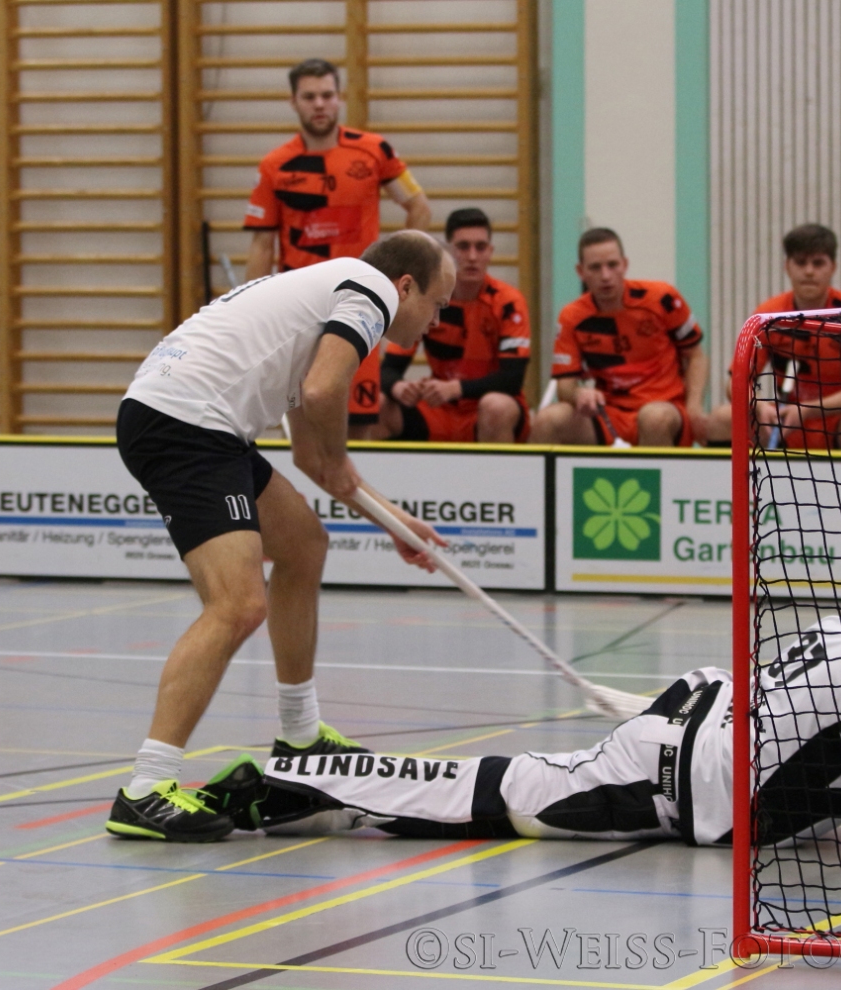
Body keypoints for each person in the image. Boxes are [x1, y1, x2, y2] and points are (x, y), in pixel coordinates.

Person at [202, 531, 841, 858]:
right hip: (674, 775)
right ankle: (285, 783)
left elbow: (837, 780)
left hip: (698, 719)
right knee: (493, 797)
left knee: (511, 788)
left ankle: (306, 782)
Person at [108, 231, 456, 842]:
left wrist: (395, 524)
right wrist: (343, 459)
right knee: (238, 605)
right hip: (185, 425)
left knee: (303, 545)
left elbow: (314, 460)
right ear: (405, 287)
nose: (437, 321)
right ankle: (146, 788)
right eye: (438, 304)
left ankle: (300, 735)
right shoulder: (369, 291)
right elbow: (324, 395)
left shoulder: (324, 303)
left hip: (197, 423)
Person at [243, 58, 433, 439]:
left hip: (359, 304)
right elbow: (262, 245)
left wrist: (399, 277)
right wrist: (253, 314)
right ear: (293, 102)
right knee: (302, 427)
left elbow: (419, 206)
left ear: (340, 98)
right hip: (301, 311)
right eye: (309, 96)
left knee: (357, 426)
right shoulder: (274, 166)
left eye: (327, 95)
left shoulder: (374, 151)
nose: (319, 104)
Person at [530, 228, 708, 448]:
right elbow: (564, 386)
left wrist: (694, 407)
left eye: (612, 265)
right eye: (595, 267)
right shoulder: (572, 317)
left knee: (653, 418)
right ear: (581, 272)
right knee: (547, 420)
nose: (605, 276)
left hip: (664, 407)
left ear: (625, 265)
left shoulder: (662, 298)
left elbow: (696, 356)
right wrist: (578, 394)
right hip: (608, 413)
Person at [707, 223, 841, 449]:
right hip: (784, 420)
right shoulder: (768, 315)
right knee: (721, 418)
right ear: (787, 266)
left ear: (833, 267)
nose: (809, 271)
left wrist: (809, 410)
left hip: (839, 419)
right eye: (801, 262)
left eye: (818, 263)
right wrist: (759, 407)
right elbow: (735, 381)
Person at [377, 208, 531, 443]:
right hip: (439, 409)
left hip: (487, 408)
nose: (472, 256)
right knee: (377, 404)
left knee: (496, 407)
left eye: (480, 247)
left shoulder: (509, 302)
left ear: (490, 252)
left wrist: (456, 388)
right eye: (463, 247)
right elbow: (388, 369)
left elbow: (512, 379)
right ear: (447, 252)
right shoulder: (426, 299)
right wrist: (399, 387)